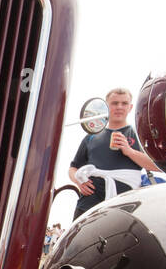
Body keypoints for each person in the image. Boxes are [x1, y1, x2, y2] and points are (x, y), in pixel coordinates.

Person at [67, 87, 157, 220]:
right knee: (78, 241)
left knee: (119, 241)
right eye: (115, 103)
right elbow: (73, 167)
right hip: (88, 204)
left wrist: (129, 151)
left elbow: (156, 166)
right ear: (106, 106)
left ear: (131, 107)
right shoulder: (91, 136)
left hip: (125, 205)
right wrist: (78, 181)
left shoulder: (139, 135)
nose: (119, 107)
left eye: (124, 103)